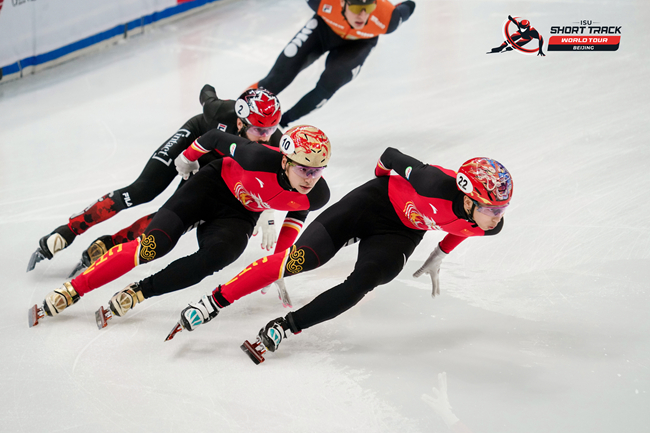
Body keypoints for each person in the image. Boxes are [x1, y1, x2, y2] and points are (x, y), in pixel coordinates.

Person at [174, 147, 513, 363]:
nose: (498, 215)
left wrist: (441, 252)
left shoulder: (488, 222)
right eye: (493, 207)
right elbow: (390, 156)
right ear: (469, 198)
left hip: (399, 233)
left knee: (365, 282)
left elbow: (467, 227)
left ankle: (286, 327)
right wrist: (378, 186)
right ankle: (213, 302)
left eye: (502, 207)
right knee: (301, 260)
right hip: (370, 204)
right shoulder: (431, 182)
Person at [29, 125, 332, 326]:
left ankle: (140, 292)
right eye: (304, 169)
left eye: (318, 171)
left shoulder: (318, 193)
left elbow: (298, 213)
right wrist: (188, 159)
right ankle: (74, 289)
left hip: (237, 216)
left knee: (218, 257)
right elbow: (213, 137)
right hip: (208, 189)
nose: (310, 178)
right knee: (151, 247)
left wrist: (277, 261)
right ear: (285, 162)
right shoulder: (255, 156)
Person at [27, 86, 284, 273]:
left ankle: (109, 245)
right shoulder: (219, 112)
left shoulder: (272, 142)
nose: (265, 137)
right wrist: (190, 152)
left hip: (213, 165)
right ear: (239, 121)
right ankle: (69, 230)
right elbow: (206, 91)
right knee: (143, 190)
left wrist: (268, 215)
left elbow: (272, 181)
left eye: (271, 129)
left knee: (172, 214)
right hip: (191, 142)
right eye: (259, 130)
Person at [251, 0, 416, 128]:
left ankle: (282, 122)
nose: (362, 16)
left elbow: (409, 5)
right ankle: (239, 111)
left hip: (358, 44)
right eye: (357, 8)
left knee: (330, 83)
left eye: (370, 8)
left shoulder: (388, 18)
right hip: (323, 30)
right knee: (277, 78)